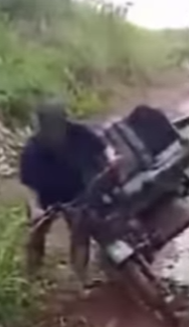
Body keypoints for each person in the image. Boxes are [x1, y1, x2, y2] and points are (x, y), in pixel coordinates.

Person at [19, 101, 118, 283]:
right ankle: (31, 275)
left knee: (81, 231)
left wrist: (111, 160)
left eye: (57, 126)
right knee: (37, 232)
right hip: (45, 194)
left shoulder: (80, 133)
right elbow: (28, 186)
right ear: (41, 127)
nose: (54, 133)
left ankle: (81, 278)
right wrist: (35, 209)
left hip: (77, 190)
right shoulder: (31, 150)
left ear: (64, 123)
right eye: (48, 128)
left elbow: (104, 147)